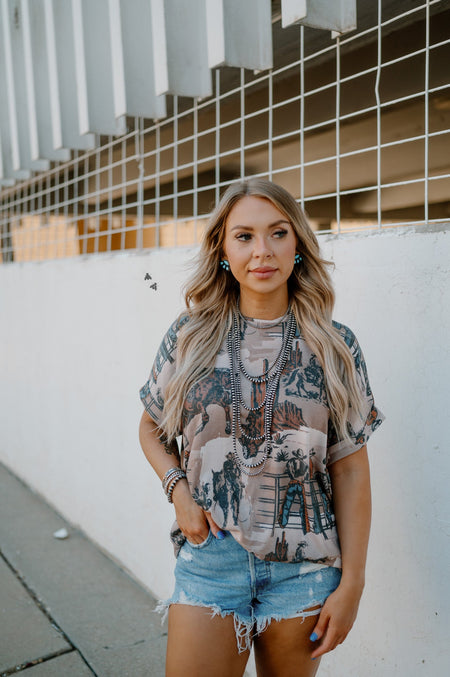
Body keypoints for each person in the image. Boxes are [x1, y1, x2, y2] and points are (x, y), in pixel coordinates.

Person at [139, 178, 384, 677]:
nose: (262, 252)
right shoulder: (190, 337)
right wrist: (179, 493)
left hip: (305, 570)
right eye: (244, 236)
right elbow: (150, 427)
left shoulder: (335, 346)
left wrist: (352, 582)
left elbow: (352, 470)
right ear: (223, 251)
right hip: (211, 559)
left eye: (278, 233)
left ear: (297, 245)